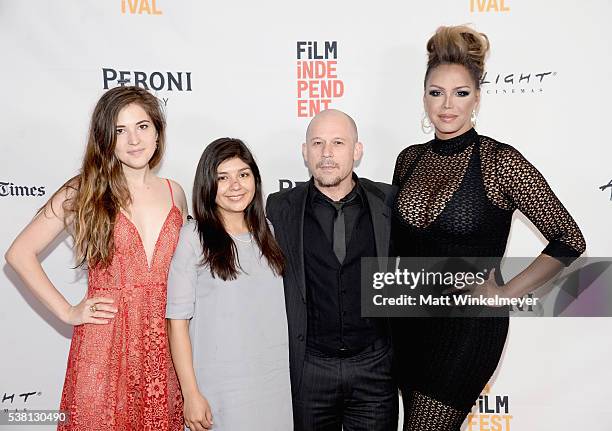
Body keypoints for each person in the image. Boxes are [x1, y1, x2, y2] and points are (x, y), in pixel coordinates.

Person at [391, 25, 586, 429]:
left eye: (460, 93)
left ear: (477, 98)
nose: (447, 105)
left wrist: (506, 293)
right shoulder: (408, 160)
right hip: (409, 328)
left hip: (468, 329)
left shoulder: (500, 162)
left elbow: (569, 239)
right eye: (436, 92)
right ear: (424, 96)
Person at [4, 86, 188, 430]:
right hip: (104, 344)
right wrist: (67, 310)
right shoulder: (82, 190)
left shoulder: (175, 193)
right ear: (105, 138)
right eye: (120, 130)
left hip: (162, 347)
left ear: (158, 131)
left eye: (143, 126)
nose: (134, 139)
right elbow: (19, 253)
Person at [266, 109, 399, 430]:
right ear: (304, 152)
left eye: (338, 143)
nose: (326, 153)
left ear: (357, 151)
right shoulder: (278, 207)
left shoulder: (388, 201)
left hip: (375, 368)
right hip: (310, 368)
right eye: (317, 143)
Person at [166, 137, 292, 430]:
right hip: (219, 390)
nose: (235, 186)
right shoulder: (193, 237)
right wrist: (191, 393)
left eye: (243, 174)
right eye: (223, 177)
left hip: (274, 386)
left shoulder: (269, 232)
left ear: (255, 180)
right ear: (208, 185)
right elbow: (177, 323)